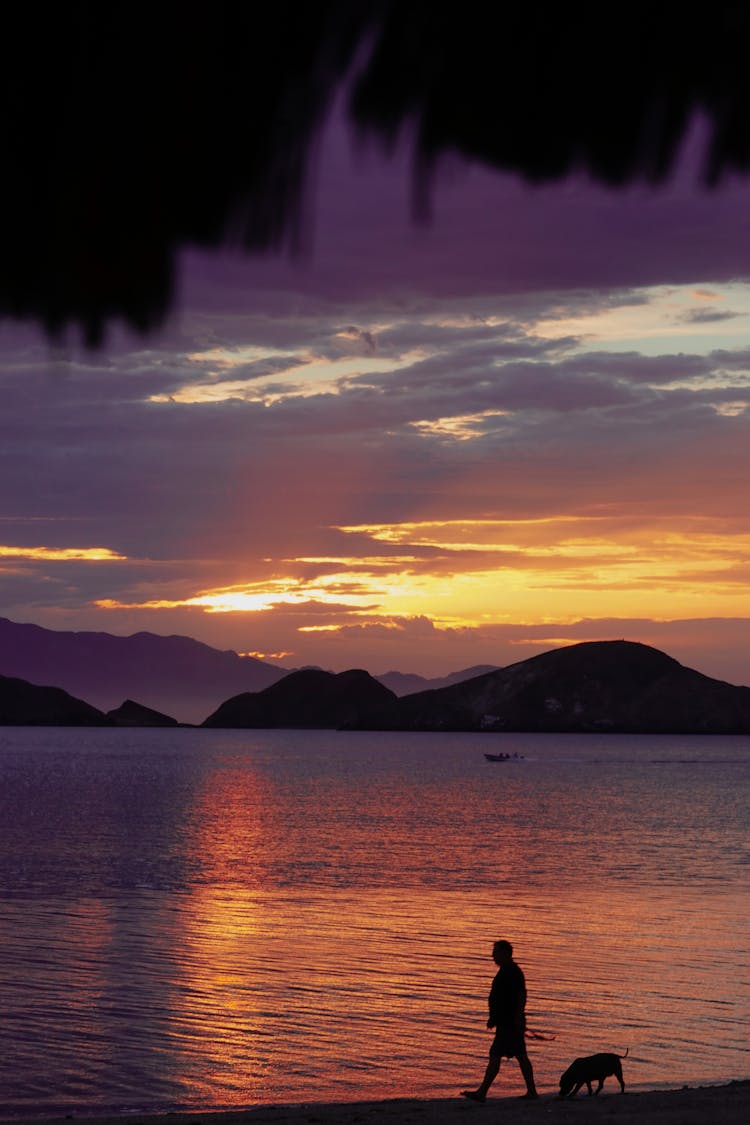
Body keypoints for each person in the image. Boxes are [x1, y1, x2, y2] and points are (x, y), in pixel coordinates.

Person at [461, 939, 538, 1101]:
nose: (492, 956)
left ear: (504, 953)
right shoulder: (506, 970)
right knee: (519, 1055)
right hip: (506, 1021)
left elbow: (521, 995)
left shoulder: (513, 972)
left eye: (495, 952)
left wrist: (517, 1017)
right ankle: (531, 1091)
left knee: (498, 1054)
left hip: (510, 1023)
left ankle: (482, 1093)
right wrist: (493, 1018)